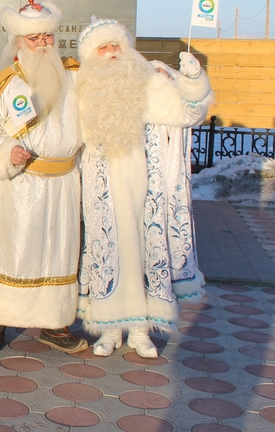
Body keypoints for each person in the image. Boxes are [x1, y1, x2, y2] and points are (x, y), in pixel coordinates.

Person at [76, 18, 212, 358]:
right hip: (101, 191)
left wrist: (192, 80)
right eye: (103, 47)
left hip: (146, 188)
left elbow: (188, 113)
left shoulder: (150, 82)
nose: (112, 52)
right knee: (107, 254)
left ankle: (139, 331)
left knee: (145, 253)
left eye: (116, 45)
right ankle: (108, 329)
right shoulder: (81, 89)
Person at [0, 0, 87, 354]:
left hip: (66, 182)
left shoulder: (75, 74)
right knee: (16, 251)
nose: (42, 44)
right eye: (34, 38)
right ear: (18, 42)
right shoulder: (7, 81)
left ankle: (55, 324)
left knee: (59, 252)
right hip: (23, 181)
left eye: (47, 37)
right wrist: (9, 150)